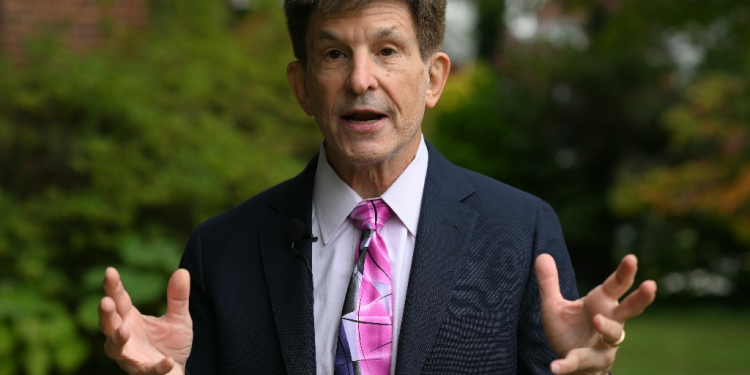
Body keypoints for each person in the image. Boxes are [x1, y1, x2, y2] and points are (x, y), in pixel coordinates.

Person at [98, 0, 657, 374]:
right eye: (334, 54)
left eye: (387, 51)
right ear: (303, 87)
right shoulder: (220, 250)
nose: (360, 79)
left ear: (433, 77)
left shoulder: (520, 232)